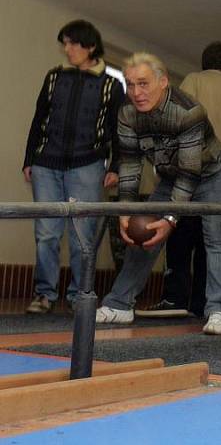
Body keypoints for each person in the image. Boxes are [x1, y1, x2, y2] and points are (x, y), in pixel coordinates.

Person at [95, 52, 221, 335]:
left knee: (215, 236)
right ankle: (120, 304)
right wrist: (126, 210)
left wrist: (170, 219)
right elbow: (131, 166)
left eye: (144, 84)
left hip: (209, 174)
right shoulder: (127, 114)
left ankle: (219, 310)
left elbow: (190, 172)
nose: (136, 92)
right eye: (131, 84)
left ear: (163, 82)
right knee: (143, 234)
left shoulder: (188, 111)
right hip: (171, 177)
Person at [135, 41, 221, 318]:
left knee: (178, 234)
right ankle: (206, 305)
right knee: (214, 240)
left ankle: (174, 298)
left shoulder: (192, 81)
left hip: (188, 167)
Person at [23, 19, 125, 314]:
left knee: (83, 234)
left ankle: (80, 294)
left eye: (72, 43)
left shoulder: (111, 85)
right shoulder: (54, 77)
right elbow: (38, 118)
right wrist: (29, 159)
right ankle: (44, 294)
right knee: (46, 233)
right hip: (46, 165)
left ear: (90, 46)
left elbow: (117, 130)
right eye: (64, 43)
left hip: (89, 165)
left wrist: (115, 166)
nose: (66, 49)